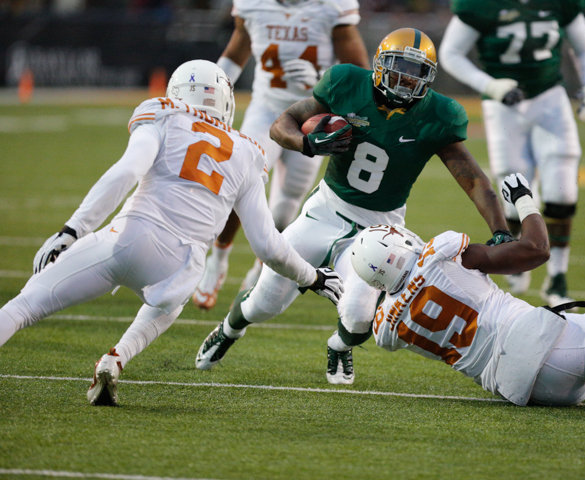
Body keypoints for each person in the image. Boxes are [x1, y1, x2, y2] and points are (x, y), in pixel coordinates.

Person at [0, 60, 343, 406]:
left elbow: (126, 172)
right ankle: (116, 358)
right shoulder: (246, 151)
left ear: (177, 93)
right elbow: (268, 246)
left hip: (130, 236)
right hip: (180, 268)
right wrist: (312, 276)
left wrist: (73, 229)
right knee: (168, 304)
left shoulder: (163, 113)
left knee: (24, 306)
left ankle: (113, 356)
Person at [194, 28, 511, 385]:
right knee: (265, 302)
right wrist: (307, 144)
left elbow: (473, 179)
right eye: (400, 66)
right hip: (325, 210)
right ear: (379, 64)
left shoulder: (439, 113)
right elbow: (281, 124)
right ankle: (230, 328)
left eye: (417, 71)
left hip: (379, 227)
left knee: (361, 315)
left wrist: (500, 229)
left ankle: (339, 346)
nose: (407, 78)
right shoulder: (345, 82)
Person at [350, 173, 585, 408]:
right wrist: (524, 200)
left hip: (523, 390)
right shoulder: (442, 254)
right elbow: (536, 250)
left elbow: (371, 319)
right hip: (542, 342)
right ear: (397, 247)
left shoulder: (387, 327)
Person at [192, 0, 370, 310]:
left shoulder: (332, 7)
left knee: (286, 206)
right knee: (239, 180)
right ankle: (218, 258)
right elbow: (237, 52)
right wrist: (211, 93)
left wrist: (320, 79)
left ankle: (261, 267)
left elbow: (360, 76)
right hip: (267, 109)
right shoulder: (254, 5)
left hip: (313, 113)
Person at [438, 0, 585, 307]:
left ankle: (557, 276)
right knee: (512, 187)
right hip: (503, 105)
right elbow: (450, 53)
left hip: (550, 97)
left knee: (562, 191)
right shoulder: (480, 5)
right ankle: (517, 254)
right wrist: (491, 85)